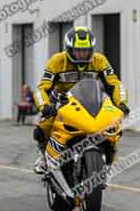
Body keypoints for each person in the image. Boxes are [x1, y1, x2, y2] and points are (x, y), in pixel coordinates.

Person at [32, 26, 130, 174]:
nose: (82, 55)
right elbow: (42, 88)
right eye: (78, 51)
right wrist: (45, 106)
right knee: (44, 125)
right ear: (69, 49)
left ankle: (110, 155)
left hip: (91, 101)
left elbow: (114, 83)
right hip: (62, 102)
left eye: (86, 51)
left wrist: (122, 103)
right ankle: (43, 156)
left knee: (114, 123)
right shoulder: (57, 61)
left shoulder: (100, 60)